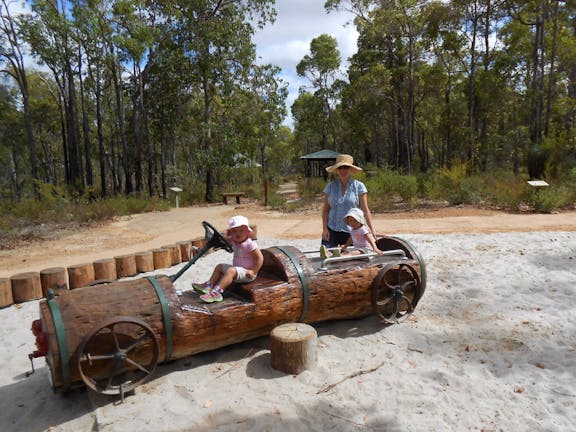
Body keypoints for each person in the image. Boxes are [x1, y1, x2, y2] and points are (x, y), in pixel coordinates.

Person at [193, 215, 263, 303]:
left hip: (247, 273)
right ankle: (209, 285)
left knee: (230, 271)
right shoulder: (234, 241)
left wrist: (253, 271)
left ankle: (216, 293)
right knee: (219, 267)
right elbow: (224, 240)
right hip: (237, 270)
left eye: (241, 230)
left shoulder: (250, 244)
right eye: (234, 231)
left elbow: (259, 258)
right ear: (231, 233)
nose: (238, 233)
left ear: (247, 231)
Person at [321, 154, 377, 248]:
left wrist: (371, 230)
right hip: (332, 229)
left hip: (352, 231)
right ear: (337, 170)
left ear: (350, 169)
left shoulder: (359, 186)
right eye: (340, 168)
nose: (343, 170)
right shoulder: (330, 187)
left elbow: (365, 210)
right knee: (328, 258)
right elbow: (325, 210)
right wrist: (325, 229)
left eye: (346, 167)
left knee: (351, 260)